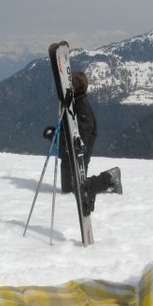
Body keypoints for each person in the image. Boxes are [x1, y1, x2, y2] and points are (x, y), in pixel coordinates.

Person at [44, 71, 122, 210]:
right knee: (68, 189)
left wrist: (57, 138)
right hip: (68, 156)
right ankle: (103, 180)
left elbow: (79, 137)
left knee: (79, 189)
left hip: (78, 157)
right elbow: (69, 132)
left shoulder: (82, 108)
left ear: (75, 87)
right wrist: (55, 134)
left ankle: (110, 177)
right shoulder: (73, 104)